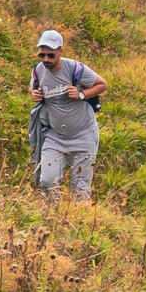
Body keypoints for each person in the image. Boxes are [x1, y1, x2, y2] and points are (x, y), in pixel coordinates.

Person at [28, 28, 105, 202]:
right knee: (47, 181)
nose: (46, 59)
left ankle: (78, 222)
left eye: (50, 55)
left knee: (80, 190)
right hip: (55, 136)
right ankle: (52, 220)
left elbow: (102, 84)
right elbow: (32, 86)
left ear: (60, 52)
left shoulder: (75, 69)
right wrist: (33, 94)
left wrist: (81, 95)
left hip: (84, 135)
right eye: (42, 55)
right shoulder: (39, 70)